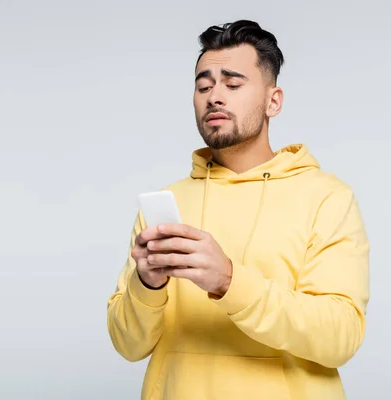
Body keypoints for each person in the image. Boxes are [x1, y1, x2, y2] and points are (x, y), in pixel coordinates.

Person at [106, 20, 370, 400]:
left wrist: (229, 281)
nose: (214, 96)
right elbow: (127, 345)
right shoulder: (167, 203)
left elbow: (340, 337)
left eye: (232, 84)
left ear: (272, 101)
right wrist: (148, 285)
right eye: (203, 85)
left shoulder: (327, 197)